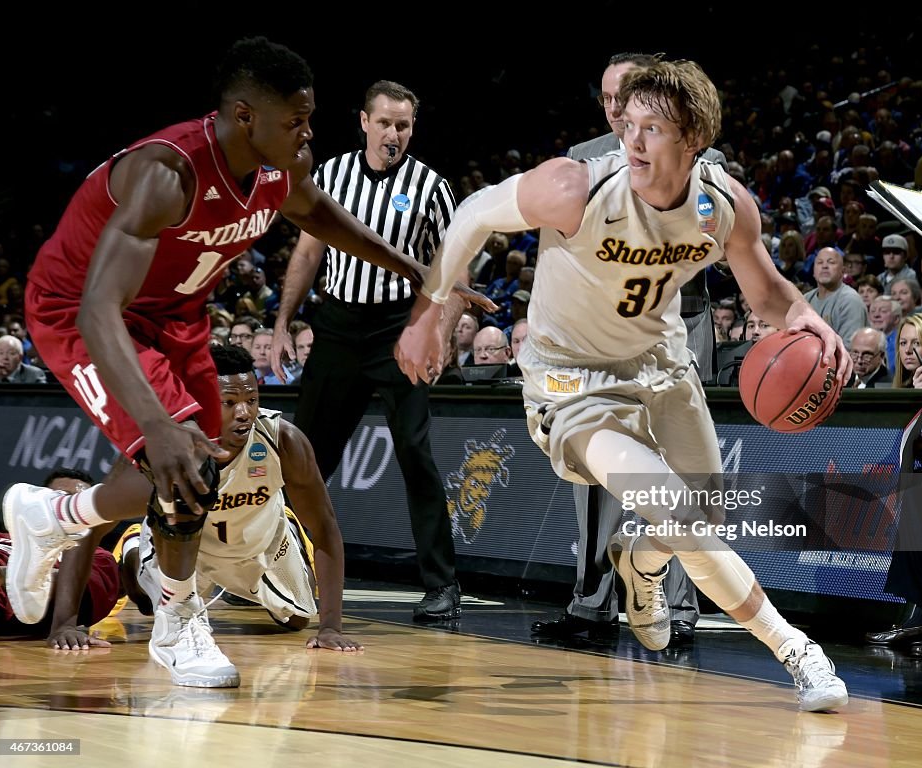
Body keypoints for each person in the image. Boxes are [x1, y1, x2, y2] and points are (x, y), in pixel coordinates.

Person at [1, 37, 472, 689]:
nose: (308, 131)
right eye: (296, 119)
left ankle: (55, 517)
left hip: (173, 313)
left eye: (310, 117)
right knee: (176, 455)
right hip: (81, 311)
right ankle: (175, 621)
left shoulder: (282, 165)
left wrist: (419, 270)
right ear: (245, 117)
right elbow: (96, 310)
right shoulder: (168, 175)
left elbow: (323, 218)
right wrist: (157, 423)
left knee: (199, 467)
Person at [395, 59, 850, 712]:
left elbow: (767, 292)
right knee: (679, 509)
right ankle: (796, 650)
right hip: (572, 385)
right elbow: (473, 213)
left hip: (661, 368)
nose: (632, 142)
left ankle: (638, 560)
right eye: (628, 124)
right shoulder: (574, 187)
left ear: (692, 139)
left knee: (702, 515)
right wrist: (432, 312)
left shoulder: (721, 207)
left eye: (653, 129)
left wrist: (805, 317)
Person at [271, 80, 493, 623]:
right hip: (339, 325)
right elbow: (307, 253)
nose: (395, 133)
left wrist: (439, 331)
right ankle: (269, 571)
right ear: (364, 122)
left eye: (405, 125)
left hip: (400, 326)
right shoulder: (331, 176)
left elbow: (452, 268)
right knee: (305, 458)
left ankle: (442, 585)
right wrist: (281, 322)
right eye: (386, 122)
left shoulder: (431, 186)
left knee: (416, 456)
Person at [540, 52, 714, 647]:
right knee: (596, 473)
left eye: (628, 98)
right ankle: (591, 604)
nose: (618, 111)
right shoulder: (583, 164)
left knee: (688, 477)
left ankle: (679, 603)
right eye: (610, 101)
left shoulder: (701, 161)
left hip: (679, 324)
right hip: (599, 341)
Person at [45, 345, 358, 657]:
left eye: (251, 400)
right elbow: (90, 525)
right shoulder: (162, 446)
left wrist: (331, 627)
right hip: (186, 552)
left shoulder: (282, 440)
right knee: (155, 609)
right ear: (202, 399)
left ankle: (270, 550)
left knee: (297, 620)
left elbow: (325, 527)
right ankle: (134, 552)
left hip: (261, 546)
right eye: (230, 402)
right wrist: (65, 623)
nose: (244, 412)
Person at [0, 469, 119, 639]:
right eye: (59, 499)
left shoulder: (99, 557)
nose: (69, 511)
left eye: (80, 503)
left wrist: (5, 575)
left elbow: (78, 591)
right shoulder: (0, 536)